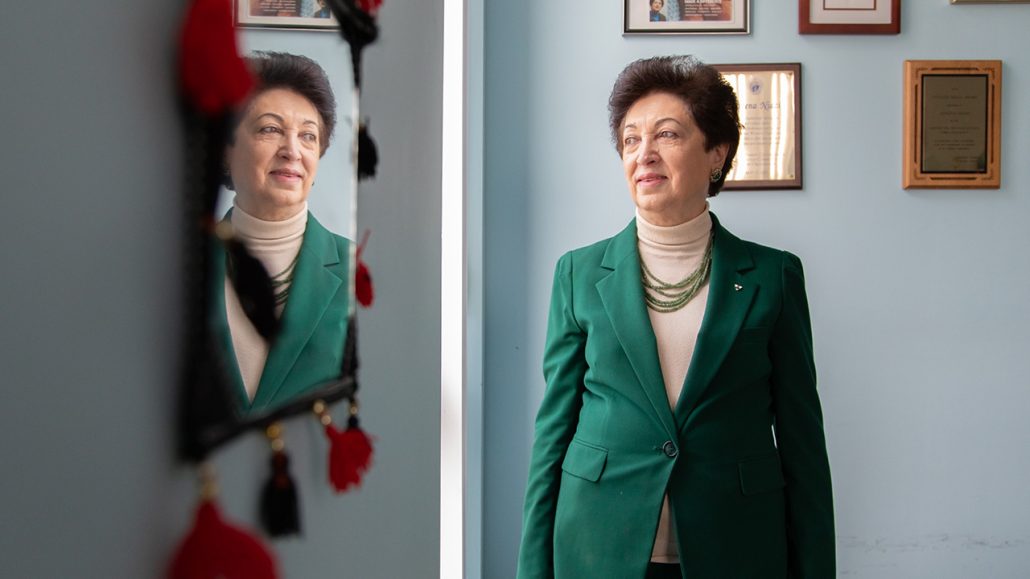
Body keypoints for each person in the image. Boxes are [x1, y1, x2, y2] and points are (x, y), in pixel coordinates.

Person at [516, 56, 835, 578]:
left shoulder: (774, 277)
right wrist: (532, 569)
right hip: (599, 544)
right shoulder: (577, 274)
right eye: (630, 139)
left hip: (735, 546)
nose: (645, 153)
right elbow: (553, 434)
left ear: (716, 154)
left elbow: (803, 445)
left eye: (667, 134)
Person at [213, 51, 350, 415]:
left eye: (308, 136)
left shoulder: (361, 274)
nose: (292, 150)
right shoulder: (179, 267)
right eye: (270, 129)